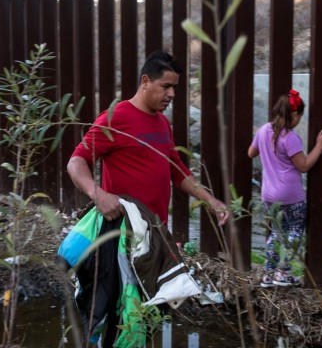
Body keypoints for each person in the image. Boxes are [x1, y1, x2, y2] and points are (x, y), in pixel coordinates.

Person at [67, 50, 229, 346]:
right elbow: (76, 161)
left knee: (150, 312)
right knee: (118, 312)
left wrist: (210, 200)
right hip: (123, 236)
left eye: (175, 88)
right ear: (145, 81)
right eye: (166, 86)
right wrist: (97, 193)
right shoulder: (116, 118)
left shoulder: (162, 124)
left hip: (154, 237)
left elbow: (178, 172)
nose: (171, 94)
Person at [247, 89, 322, 287]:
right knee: (294, 231)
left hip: (268, 195)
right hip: (290, 195)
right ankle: (283, 273)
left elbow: (251, 153)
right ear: (294, 115)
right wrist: (320, 145)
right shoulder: (290, 137)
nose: (299, 121)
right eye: (299, 117)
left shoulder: (263, 130)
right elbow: (303, 166)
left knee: (276, 232)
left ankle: (269, 274)